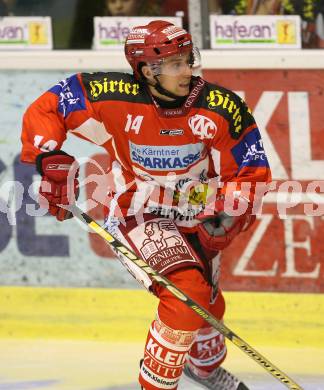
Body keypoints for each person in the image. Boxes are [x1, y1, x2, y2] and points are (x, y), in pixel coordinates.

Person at [20, 20, 271, 390]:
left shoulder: (220, 106)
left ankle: (202, 368)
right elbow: (48, 107)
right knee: (187, 298)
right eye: (175, 64)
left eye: (188, 59)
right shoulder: (111, 95)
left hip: (198, 209)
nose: (188, 70)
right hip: (139, 209)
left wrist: (230, 213)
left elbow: (251, 174)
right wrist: (49, 158)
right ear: (146, 70)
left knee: (209, 307)